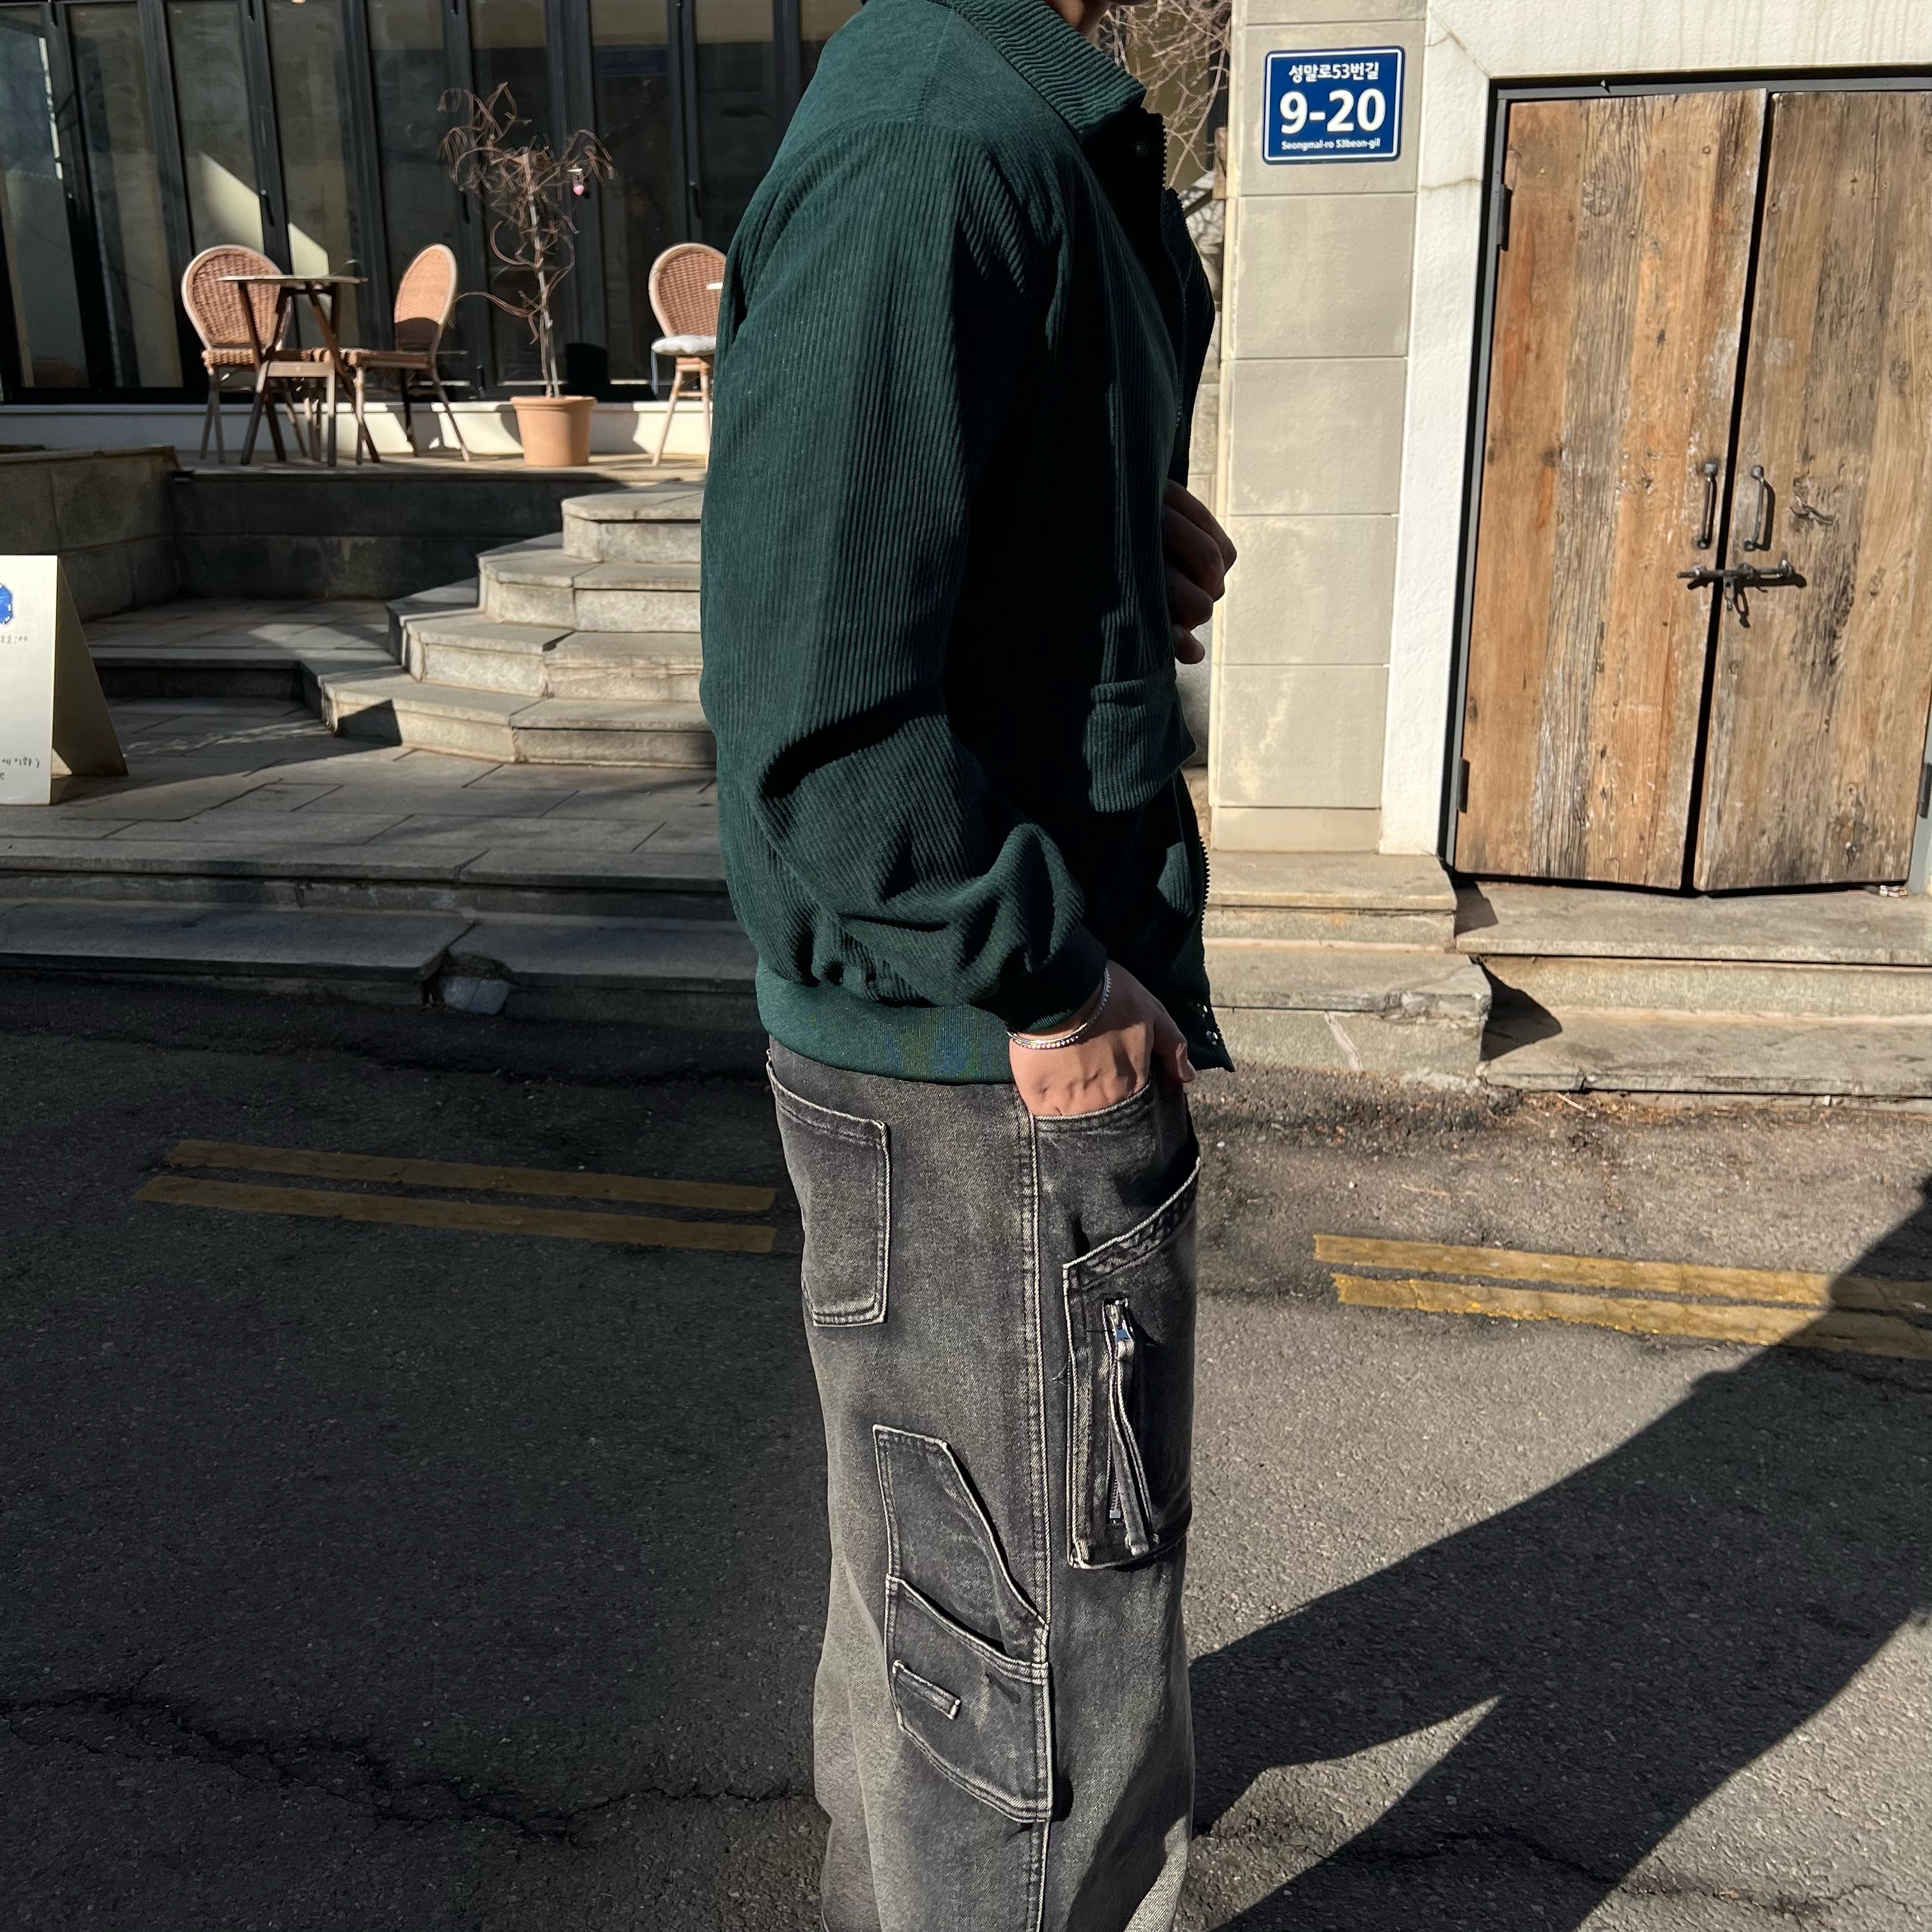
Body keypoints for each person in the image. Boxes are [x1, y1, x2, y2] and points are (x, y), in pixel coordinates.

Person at [700, 0, 1236, 1922]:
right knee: (1023, 1699)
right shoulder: (937, 145)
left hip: (979, 1045)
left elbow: (897, 535)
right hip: (981, 1066)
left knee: (958, 1647)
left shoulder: (997, 118)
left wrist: (1099, 528)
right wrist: (1049, 984)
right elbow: (815, 709)